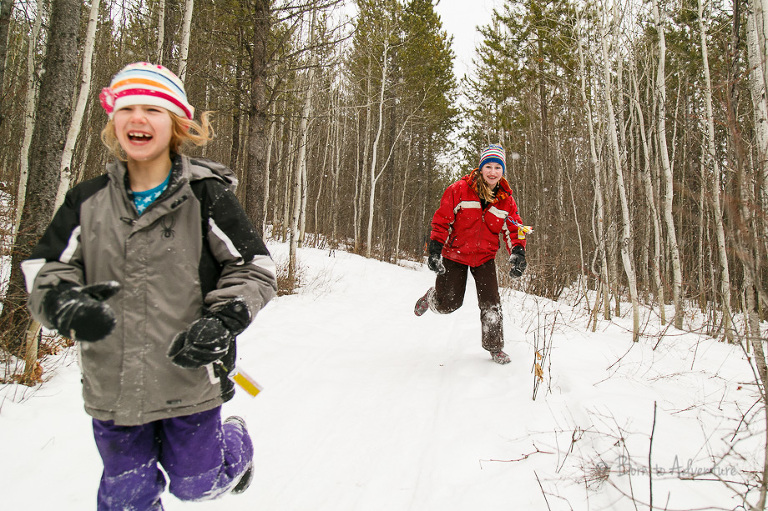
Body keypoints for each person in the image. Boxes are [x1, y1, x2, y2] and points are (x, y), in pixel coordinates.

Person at [21, 62, 278, 509]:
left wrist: (223, 319)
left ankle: (234, 443)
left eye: (153, 109)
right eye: (128, 108)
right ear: (113, 121)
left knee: (199, 484)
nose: (138, 119)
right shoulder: (87, 199)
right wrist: (64, 304)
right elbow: (45, 269)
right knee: (126, 500)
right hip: (112, 386)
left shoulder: (206, 194)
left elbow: (253, 266)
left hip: (191, 377)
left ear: (177, 124)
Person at [414, 144, 528, 365]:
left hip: (484, 257)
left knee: (491, 303)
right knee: (449, 304)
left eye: (498, 167)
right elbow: (442, 221)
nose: (493, 172)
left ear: (502, 171)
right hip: (454, 255)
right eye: (489, 166)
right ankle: (431, 298)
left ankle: (495, 347)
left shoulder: (506, 199)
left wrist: (518, 252)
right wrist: (435, 249)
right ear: (481, 167)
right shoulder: (459, 190)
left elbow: (514, 228)